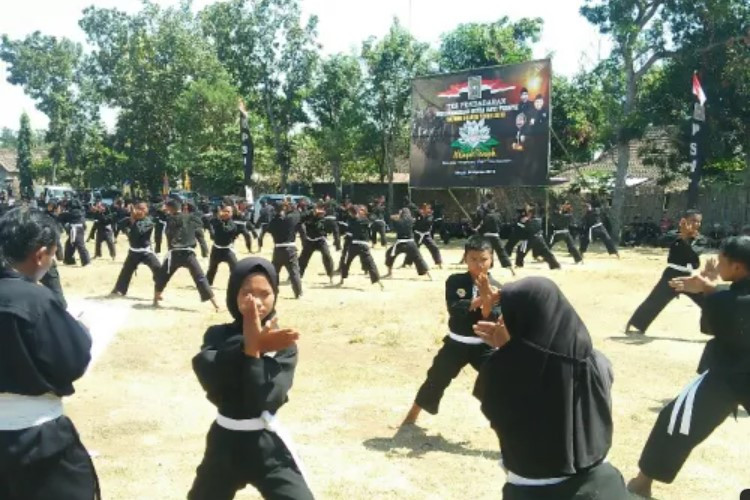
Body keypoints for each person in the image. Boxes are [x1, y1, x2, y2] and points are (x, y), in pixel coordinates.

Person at [475, 277, 628, 500]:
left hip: (537, 489)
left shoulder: (502, 371)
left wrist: (508, 351)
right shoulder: (596, 361)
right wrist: (512, 351)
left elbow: (497, 414)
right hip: (604, 485)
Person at [627, 236, 750, 498]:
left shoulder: (726, 301)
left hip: (726, 376)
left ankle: (642, 483)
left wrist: (708, 289)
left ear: (738, 268)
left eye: (723, 259)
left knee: (675, 421)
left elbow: (712, 324)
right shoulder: (731, 297)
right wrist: (711, 287)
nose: (718, 262)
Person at [188, 257, 313, 500]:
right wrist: (250, 345)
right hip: (224, 444)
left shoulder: (282, 343)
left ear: (275, 296)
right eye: (247, 292)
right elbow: (207, 374)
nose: (256, 301)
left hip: (265, 444)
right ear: (234, 293)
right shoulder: (218, 335)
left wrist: (256, 350)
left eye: (264, 293)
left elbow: (265, 398)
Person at [0, 207, 100, 500]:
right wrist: (82, 332)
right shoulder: (36, 299)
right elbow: (71, 363)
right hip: (35, 439)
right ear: (41, 255)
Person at [403, 236, 501, 425]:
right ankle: (411, 417)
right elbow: (456, 310)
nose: (479, 264)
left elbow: (490, 317)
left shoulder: (498, 288)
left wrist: (489, 298)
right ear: (465, 258)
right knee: (436, 379)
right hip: (456, 343)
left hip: (484, 346)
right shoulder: (455, 281)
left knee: (499, 382)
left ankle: (507, 425)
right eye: (473, 259)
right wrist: (483, 296)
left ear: (492, 260)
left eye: (483, 259)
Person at [626, 210, 707, 334]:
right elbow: (660, 241)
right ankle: (636, 325)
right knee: (655, 300)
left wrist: (685, 238)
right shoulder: (673, 234)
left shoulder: (700, 239)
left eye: (699, 222)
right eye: (693, 221)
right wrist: (681, 235)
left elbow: (694, 253)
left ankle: (723, 328)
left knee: (707, 300)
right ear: (683, 221)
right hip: (671, 275)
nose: (696, 224)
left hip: (688, 277)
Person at [154, 199, 219, 310]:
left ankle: (155, 300)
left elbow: (164, 225)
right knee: (200, 278)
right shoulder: (193, 218)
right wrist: (204, 252)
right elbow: (200, 236)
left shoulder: (169, 220)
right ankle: (216, 304)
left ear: (169, 209)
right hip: (188, 254)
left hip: (174, 254)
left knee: (162, 276)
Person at [111, 199, 162, 297]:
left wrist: (133, 221)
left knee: (158, 269)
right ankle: (119, 289)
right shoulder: (131, 219)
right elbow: (120, 224)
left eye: (143, 209)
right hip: (133, 251)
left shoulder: (149, 220)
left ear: (146, 210)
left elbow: (138, 232)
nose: (140, 211)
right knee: (126, 271)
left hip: (146, 252)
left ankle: (159, 291)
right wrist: (129, 221)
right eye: (138, 208)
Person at [206, 199, 253, 286]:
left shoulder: (233, 224)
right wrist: (217, 217)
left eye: (228, 212)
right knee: (212, 268)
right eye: (225, 211)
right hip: (216, 249)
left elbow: (225, 230)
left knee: (235, 267)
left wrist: (219, 220)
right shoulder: (216, 220)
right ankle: (208, 283)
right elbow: (210, 223)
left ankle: (237, 284)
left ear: (231, 214)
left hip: (227, 250)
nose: (226, 213)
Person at [339, 205, 382, 289]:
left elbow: (349, 235)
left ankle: (342, 279)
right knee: (370, 263)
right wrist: (365, 213)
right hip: (363, 245)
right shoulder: (365, 220)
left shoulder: (352, 221)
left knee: (347, 262)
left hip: (354, 245)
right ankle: (377, 281)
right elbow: (373, 218)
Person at [267, 201, 303, 299]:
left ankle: (274, 291)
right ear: (284, 208)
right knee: (294, 271)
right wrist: (290, 207)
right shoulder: (291, 219)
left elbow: (269, 229)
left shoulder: (273, 221)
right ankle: (298, 293)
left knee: (274, 272)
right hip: (290, 248)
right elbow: (298, 215)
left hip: (278, 249)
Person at [384, 208, 431, 280]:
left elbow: (391, 218)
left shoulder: (397, 221)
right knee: (418, 258)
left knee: (390, 255)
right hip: (410, 243)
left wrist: (396, 216)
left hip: (400, 243)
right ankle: (429, 275)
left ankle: (389, 273)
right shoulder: (412, 220)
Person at [299, 202, 334, 284]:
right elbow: (301, 218)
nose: (320, 210)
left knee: (327, 256)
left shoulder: (324, 217)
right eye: (318, 208)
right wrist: (313, 213)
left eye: (321, 208)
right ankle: (298, 275)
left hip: (321, 240)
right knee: (303, 259)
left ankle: (330, 275)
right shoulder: (308, 216)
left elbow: (329, 228)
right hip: (310, 240)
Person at [476, 202, 515, 273]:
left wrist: (477, 230)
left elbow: (482, 226)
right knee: (502, 252)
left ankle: (486, 268)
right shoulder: (498, 216)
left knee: (487, 253)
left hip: (487, 237)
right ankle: (511, 269)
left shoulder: (486, 216)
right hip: (495, 236)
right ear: (495, 208)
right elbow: (500, 225)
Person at [59, 198, 91, 266]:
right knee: (69, 245)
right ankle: (69, 260)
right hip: (77, 229)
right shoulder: (81, 211)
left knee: (80, 245)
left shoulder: (74, 212)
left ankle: (86, 261)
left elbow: (62, 217)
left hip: (76, 229)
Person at [411, 204, 443, 268]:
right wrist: (419, 213)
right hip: (417, 235)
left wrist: (423, 216)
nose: (427, 210)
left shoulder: (430, 217)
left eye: (428, 209)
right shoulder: (418, 215)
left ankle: (438, 262)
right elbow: (413, 209)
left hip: (426, 235)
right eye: (425, 209)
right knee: (412, 249)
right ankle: (407, 263)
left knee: (434, 248)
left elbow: (427, 222)